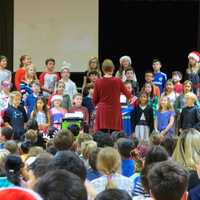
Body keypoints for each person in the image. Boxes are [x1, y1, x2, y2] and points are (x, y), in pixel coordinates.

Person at [93, 59, 132, 132]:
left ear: (103, 69)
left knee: (102, 134)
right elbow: (128, 95)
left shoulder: (98, 82)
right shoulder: (118, 81)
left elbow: (95, 100)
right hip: (115, 110)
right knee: (114, 134)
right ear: (113, 68)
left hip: (102, 110)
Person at [173, 92, 200, 170]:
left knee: (191, 148)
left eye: (188, 99)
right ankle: (183, 162)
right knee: (183, 146)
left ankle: (192, 163)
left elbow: (199, 121)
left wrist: (193, 129)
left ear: (193, 100)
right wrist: (180, 128)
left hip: (192, 134)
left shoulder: (196, 109)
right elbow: (180, 120)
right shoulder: (184, 109)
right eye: (186, 99)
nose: (186, 100)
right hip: (184, 132)